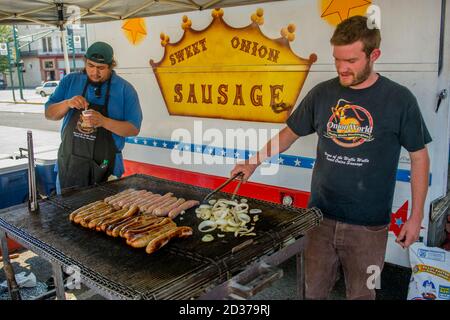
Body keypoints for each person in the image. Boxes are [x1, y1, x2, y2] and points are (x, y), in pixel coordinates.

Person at [231, 16, 431, 300]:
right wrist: (253, 161)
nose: (341, 68)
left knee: (363, 294)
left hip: (369, 228)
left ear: (374, 55)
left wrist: (416, 216)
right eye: (337, 59)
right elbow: (289, 134)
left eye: (350, 60)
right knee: (312, 293)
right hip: (319, 218)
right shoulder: (322, 93)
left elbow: (419, 157)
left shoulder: (399, 100)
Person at [45, 41, 143, 193]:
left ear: (111, 66)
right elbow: (49, 114)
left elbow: (133, 128)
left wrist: (104, 121)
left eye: (101, 68)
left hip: (106, 167)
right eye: (90, 66)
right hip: (70, 164)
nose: (94, 72)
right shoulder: (70, 81)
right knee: (64, 213)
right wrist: (67, 103)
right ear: (85, 62)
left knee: (104, 215)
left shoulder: (125, 89)